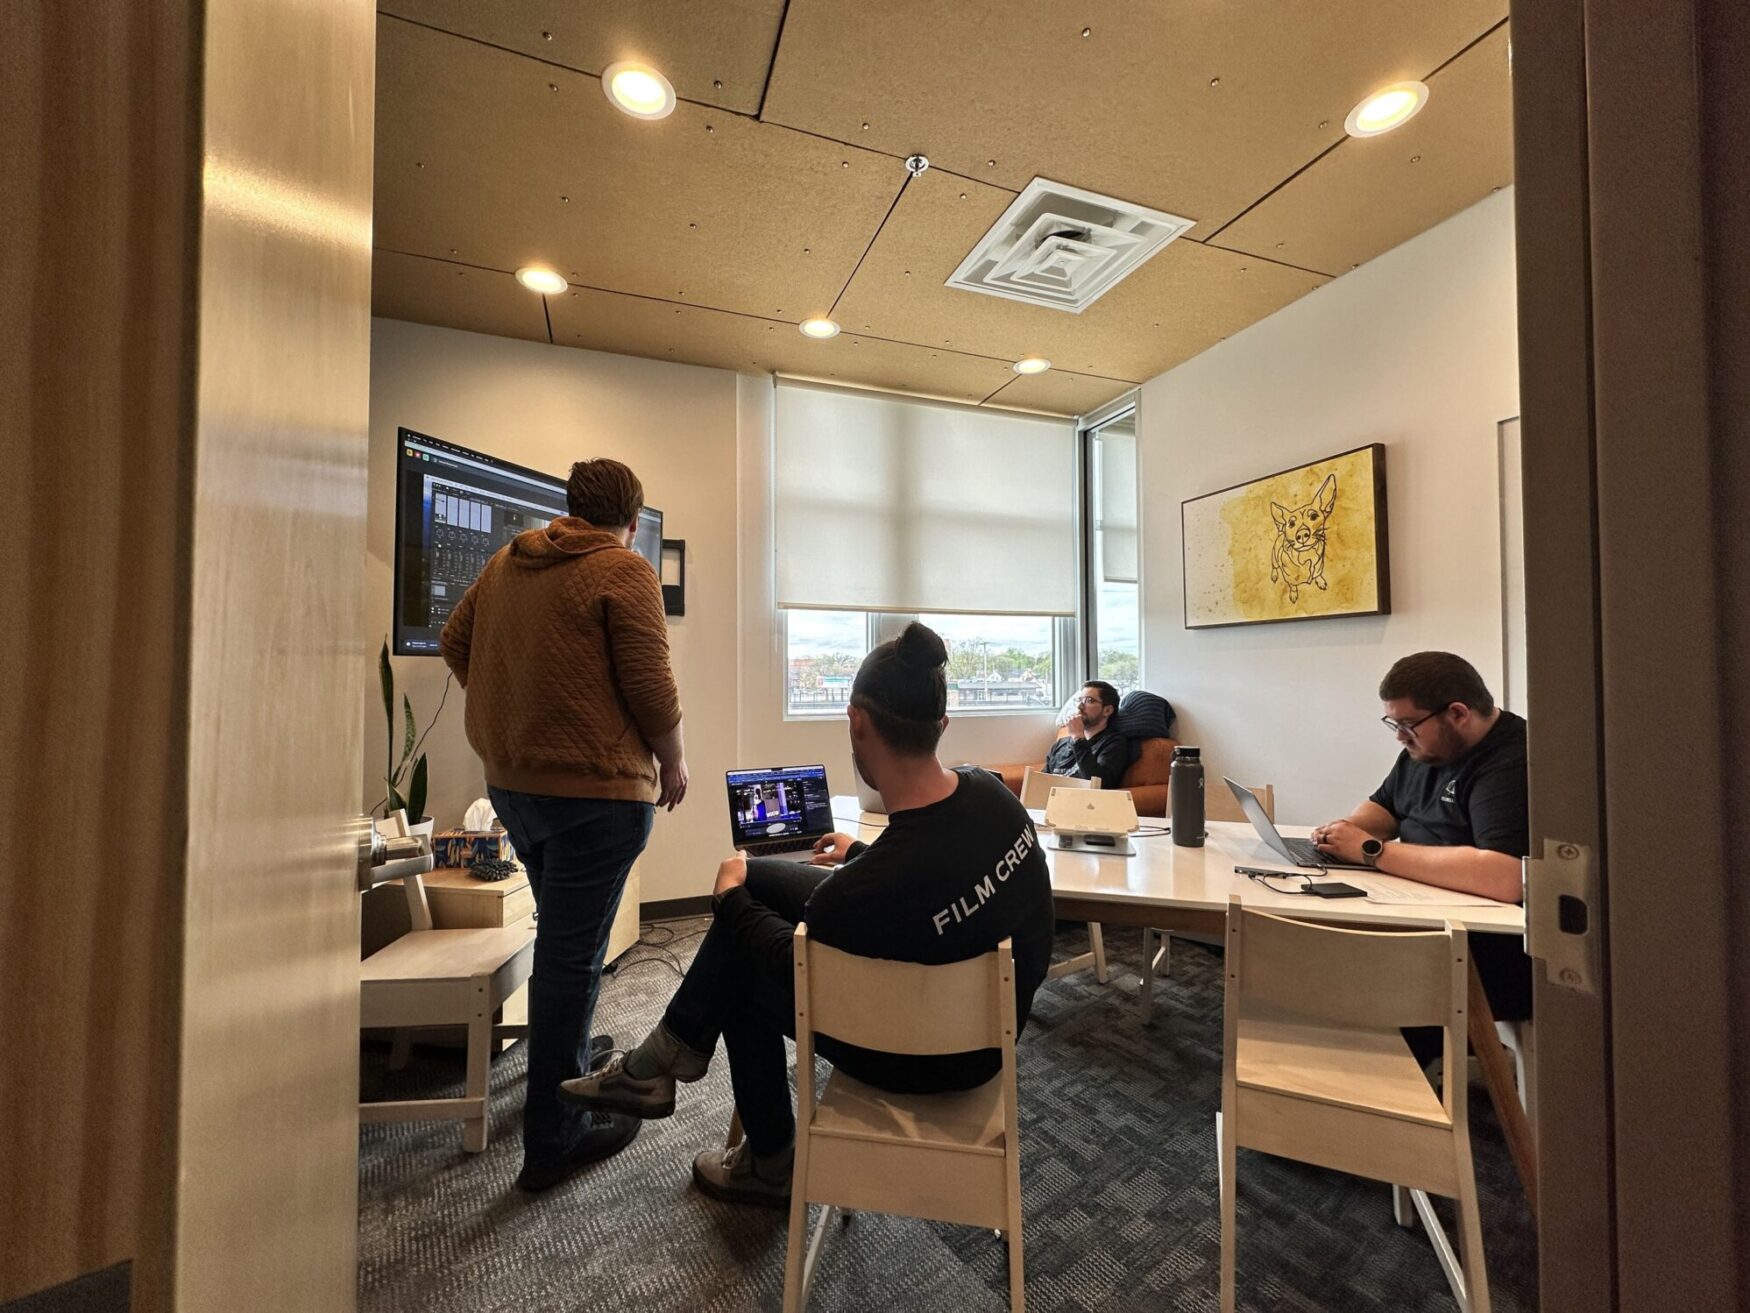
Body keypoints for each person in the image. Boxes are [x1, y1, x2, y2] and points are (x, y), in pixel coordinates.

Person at [559, 622, 1055, 1206]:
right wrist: (859, 854)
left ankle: (765, 1158)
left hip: (917, 1061)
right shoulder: (994, 796)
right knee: (750, 868)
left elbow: (780, 954)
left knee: (742, 954)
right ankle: (666, 1054)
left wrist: (729, 905)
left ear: (857, 722)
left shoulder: (856, 898)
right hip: (987, 1044)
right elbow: (937, 877)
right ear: (940, 725)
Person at [439, 457, 689, 1193]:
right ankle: (554, 1137)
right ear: (632, 520)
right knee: (571, 958)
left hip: (516, 787)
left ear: (569, 508)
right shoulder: (625, 569)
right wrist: (673, 762)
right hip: (596, 801)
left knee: (563, 941)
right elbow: (651, 687)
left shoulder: (508, 562)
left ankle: (565, 1061)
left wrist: (515, 707)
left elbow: (458, 642)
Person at [1313, 650, 1530, 1027]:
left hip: (1484, 949)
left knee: (1338, 970)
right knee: (1318, 950)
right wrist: (1344, 831)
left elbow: (1505, 876)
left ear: (1458, 713)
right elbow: (1383, 809)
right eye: (1393, 723)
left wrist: (1371, 851)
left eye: (1409, 724)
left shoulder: (1513, 760)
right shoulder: (1426, 748)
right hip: (1418, 915)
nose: (1400, 736)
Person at [1044, 680, 1129, 790]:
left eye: (1089, 701)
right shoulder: (1061, 744)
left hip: (1082, 804)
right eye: (1079, 700)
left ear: (1107, 710)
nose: (1079, 706)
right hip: (1049, 803)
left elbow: (1098, 784)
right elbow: (1043, 782)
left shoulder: (1114, 743)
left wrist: (1078, 738)